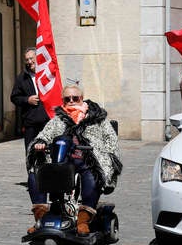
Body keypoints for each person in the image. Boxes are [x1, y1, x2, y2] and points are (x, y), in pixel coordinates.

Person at [26, 85, 122, 236]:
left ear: (82, 99)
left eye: (75, 98)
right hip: (61, 158)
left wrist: (108, 156)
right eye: (67, 99)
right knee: (36, 171)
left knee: (92, 171)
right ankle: (41, 218)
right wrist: (40, 142)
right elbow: (44, 134)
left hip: (89, 157)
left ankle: (83, 220)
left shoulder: (98, 119)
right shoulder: (57, 120)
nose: (71, 101)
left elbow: (112, 140)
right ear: (63, 101)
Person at [11, 47, 50, 156]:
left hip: (47, 121)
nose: (29, 62)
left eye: (31, 58)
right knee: (31, 154)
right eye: (27, 59)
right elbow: (14, 97)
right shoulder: (22, 78)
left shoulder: (48, 74)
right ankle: (32, 173)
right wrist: (27, 100)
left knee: (47, 154)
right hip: (31, 123)